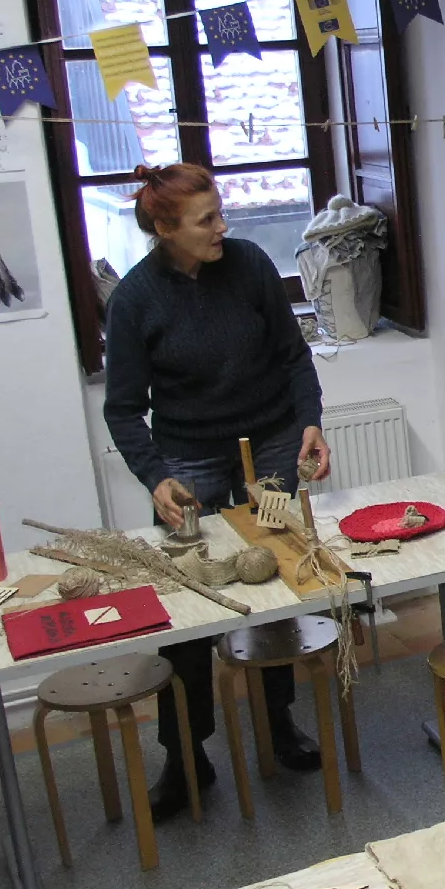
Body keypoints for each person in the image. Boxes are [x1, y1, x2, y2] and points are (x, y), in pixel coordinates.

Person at [103, 164, 331, 821]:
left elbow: (293, 355)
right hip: (188, 456)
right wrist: (156, 475)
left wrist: (310, 420)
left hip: (272, 440)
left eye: (220, 213)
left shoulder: (250, 265)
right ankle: (185, 754)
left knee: (276, 580)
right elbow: (123, 409)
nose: (222, 227)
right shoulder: (136, 300)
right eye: (207, 219)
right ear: (164, 227)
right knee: (189, 602)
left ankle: (277, 722)